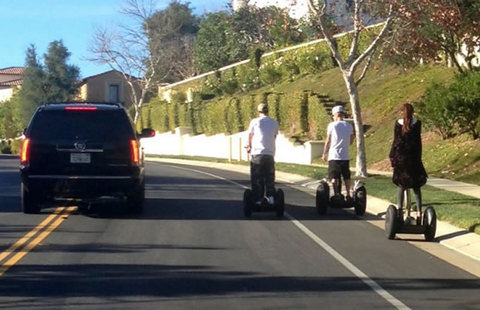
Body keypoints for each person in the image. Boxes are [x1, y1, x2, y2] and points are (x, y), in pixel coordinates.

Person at [389, 103, 427, 211]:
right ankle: (419, 211)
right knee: (416, 186)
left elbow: (396, 142)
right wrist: (419, 156)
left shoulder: (398, 123)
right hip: (413, 157)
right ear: (413, 112)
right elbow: (418, 141)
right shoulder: (417, 123)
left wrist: (393, 156)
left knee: (401, 185)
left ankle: (400, 209)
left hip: (401, 158)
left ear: (402, 112)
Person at [246, 103, 279, 205]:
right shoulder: (274, 122)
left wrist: (248, 147)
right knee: (269, 178)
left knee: (257, 179)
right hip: (269, 154)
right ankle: (271, 197)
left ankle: (258, 199)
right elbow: (274, 136)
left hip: (257, 154)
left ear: (258, 111)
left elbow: (250, 136)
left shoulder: (255, 122)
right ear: (267, 111)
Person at [322, 105, 354, 200]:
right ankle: (348, 194)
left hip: (334, 155)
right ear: (343, 114)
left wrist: (324, 153)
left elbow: (328, 140)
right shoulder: (349, 126)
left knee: (334, 176)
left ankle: (336, 194)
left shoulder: (332, 125)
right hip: (345, 155)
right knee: (346, 176)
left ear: (335, 115)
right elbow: (351, 141)